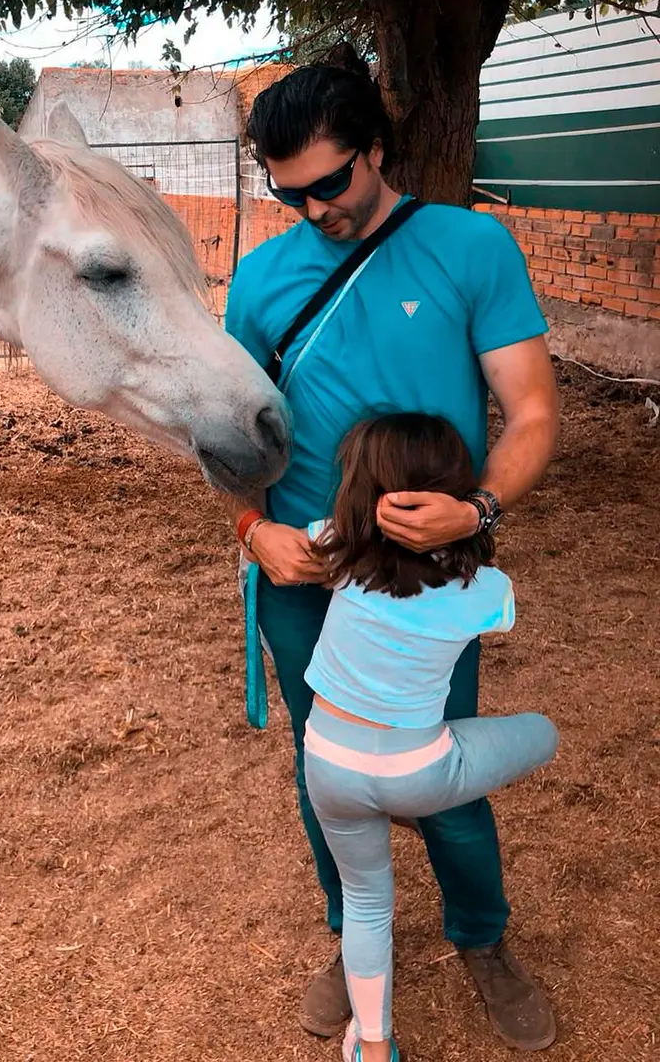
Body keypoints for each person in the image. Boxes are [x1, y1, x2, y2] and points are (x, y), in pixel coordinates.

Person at [224, 62, 559, 1050]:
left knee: (438, 760)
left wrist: (476, 510)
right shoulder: (260, 278)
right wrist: (251, 530)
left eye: (330, 182)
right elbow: (229, 438)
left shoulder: (470, 246)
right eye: (288, 193)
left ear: (375, 150)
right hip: (303, 570)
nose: (312, 209)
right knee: (320, 759)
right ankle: (352, 930)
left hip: (424, 572)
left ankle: (481, 936)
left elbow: (532, 413)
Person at [300, 412, 558, 1061]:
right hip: (419, 772)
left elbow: (306, 543)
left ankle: (374, 1045)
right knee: (542, 733)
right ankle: (409, 808)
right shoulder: (482, 589)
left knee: (367, 903)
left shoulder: (337, 548)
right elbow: (501, 611)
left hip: (328, 766)